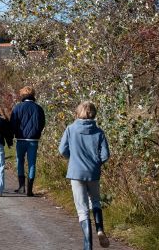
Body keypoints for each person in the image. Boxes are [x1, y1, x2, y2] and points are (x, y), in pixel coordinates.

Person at [58, 101, 110, 249]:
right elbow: (105, 155)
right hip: (93, 172)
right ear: (94, 114)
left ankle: (88, 245)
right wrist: (96, 164)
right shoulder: (99, 132)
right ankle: (100, 230)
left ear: (78, 112)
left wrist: (72, 158)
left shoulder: (70, 129)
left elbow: (62, 150)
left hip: (76, 171)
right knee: (96, 202)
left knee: (82, 210)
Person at [10, 86, 45, 196]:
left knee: (20, 161)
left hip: (20, 138)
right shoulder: (38, 108)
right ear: (33, 95)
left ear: (22, 95)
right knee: (32, 163)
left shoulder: (17, 107)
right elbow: (42, 123)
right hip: (33, 139)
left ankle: (21, 187)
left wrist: (14, 134)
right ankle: (30, 189)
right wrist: (37, 132)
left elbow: (13, 123)